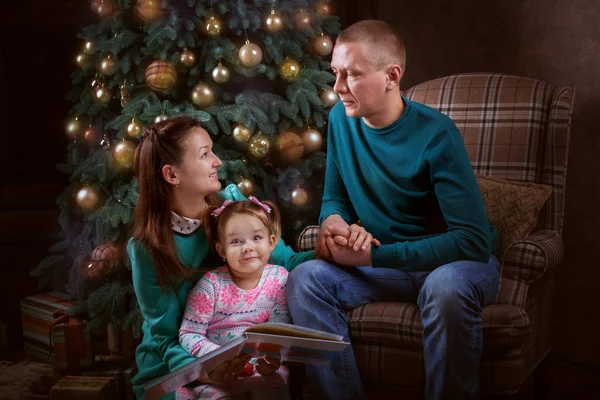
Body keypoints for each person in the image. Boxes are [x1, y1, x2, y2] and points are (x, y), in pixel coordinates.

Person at [287, 20, 501, 400]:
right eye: (336, 73)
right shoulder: (341, 119)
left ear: (391, 76)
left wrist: (373, 254)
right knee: (305, 280)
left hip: (450, 265)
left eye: (351, 75)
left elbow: (473, 241)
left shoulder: (438, 135)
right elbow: (335, 197)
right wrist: (333, 223)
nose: (337, 88)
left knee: (446, 288)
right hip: (384, 266)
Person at [128, 116, 313, 400]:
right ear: (172, 175)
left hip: (239, 359)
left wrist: (326, 250)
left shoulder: (231, 205)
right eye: (205, 154)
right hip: (176, 366)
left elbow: (285, 262)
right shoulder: (147, 248)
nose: (218, 162)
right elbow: (165, 339)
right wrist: (206, 370)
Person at [176, 198, 291, 399]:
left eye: (256, 238)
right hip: (219, 371)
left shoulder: (279, 278)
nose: (247, 247)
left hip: (260, 370)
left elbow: (279, 326)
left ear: (271, 242)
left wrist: (272, 356)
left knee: (273, 390)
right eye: (236, 241)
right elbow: (189, 333)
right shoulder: (211, 285)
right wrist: (218, 356)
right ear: (222, 250)